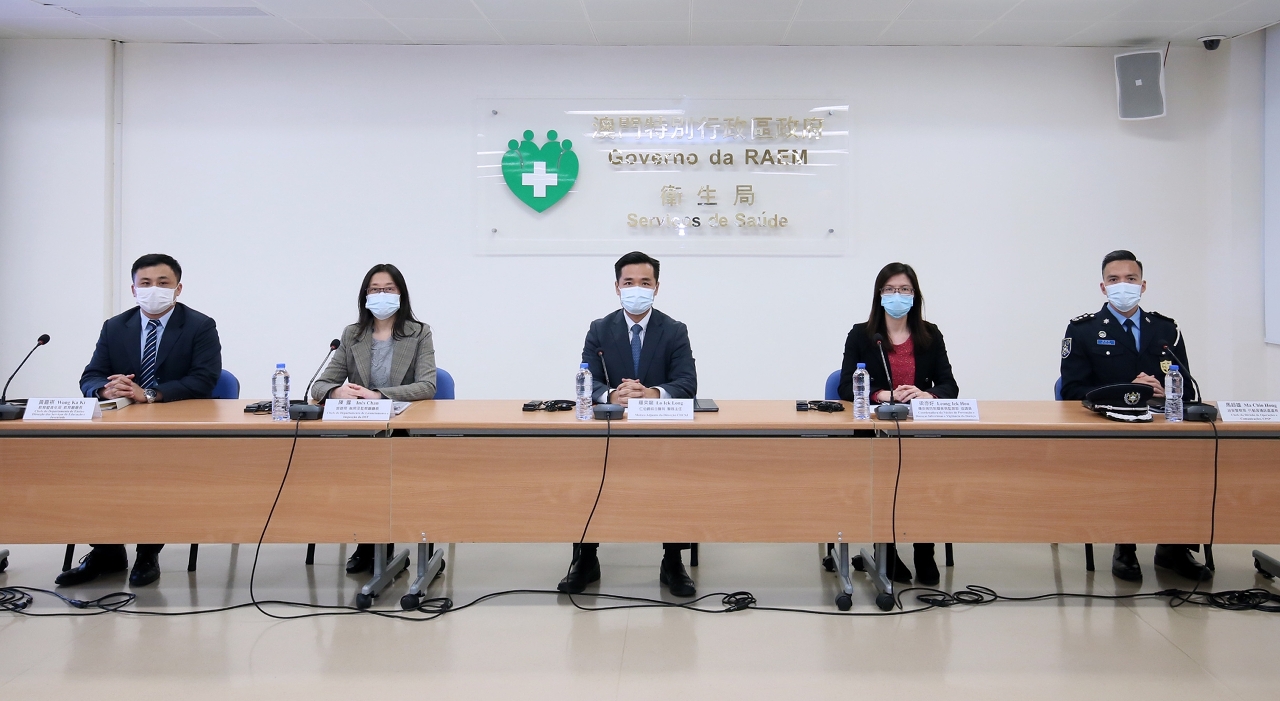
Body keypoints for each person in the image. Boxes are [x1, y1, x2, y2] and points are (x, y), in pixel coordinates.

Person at [62, 253, 223, 587]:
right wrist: (105, 389)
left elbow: (204, 380)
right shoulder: (115, 326)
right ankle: (106, 552)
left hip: (174, 428)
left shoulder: (200, 325)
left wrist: (149, 394)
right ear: (134, 290)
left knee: (155, 471)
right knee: (89, 466)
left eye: (163, 283)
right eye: (145, 283)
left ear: (178, 288)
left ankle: (148, 553)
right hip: (119, 428)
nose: (154, 290)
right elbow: (91, 375)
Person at [1060, 249, 1210, 582]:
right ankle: (1125, 545)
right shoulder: (1083, 330)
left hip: (1161, 427)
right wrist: (1129, 390)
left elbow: (1187, 389)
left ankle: (1173, 547)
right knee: (1127, 463)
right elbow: (1071, 391)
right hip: (1110, 428)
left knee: (1190, 461)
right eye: (1114, 280)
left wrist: (1165, 390)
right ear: (1103, 287)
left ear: (1143, 285)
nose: (1123, 285)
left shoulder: (1166, 329)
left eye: (1131, 278)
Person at [559, 251, 698, 597]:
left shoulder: (674, 330)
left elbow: (687, 383)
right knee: (585, 470)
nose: (637, 289)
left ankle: (672, 560)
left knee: (677, 474)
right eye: (629, 282)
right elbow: (588, 379)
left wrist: (649, 393)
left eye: (645, 283)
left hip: (660, 432)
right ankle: (586, 558)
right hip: (609, 431)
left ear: (657, 287)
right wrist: (612, 395)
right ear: (617, 287)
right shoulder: (600, 329)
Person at [311, 263, 436, 574]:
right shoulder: (353, 334)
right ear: (365, 295)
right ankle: (367, 541)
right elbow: (320, 385)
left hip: (404, 430)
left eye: (388, 289)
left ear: (400, 294)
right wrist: (336, 392)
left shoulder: (419, 332)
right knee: (359, 471)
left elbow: (428, 385)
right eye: (375, 289)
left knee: (387, 467)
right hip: (362, 430)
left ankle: (383, 542)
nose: (382, 295)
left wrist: (378, 395)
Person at [837, 262, 957, 586]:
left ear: (914, 295)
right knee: (884, 475)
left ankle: (924, 549)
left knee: (926, 479)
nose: (897, 295)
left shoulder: (930, 334)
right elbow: (845, 386)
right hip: (876, 432)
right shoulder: (862, 335)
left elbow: (949, 385)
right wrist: (881, 394)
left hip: (920, 430)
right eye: (890, 289)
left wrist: (926, 394)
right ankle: (886, 549)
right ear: (880, 295)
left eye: (904, 289)